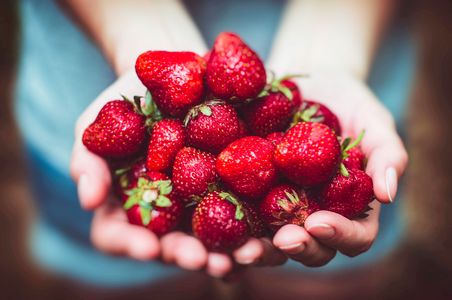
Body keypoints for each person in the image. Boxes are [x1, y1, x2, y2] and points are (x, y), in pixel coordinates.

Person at [15, 0, 410, 288]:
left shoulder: (282, 143)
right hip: (80, 79)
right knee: (132, 286)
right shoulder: (189, 136)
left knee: (321, 286)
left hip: (354, 43)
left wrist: (330, 56)